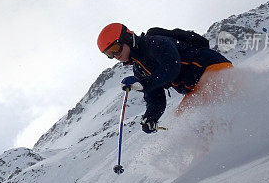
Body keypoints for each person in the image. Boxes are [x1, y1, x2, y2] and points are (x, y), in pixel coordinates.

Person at [97, 23, 234, 133]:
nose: (115, 55)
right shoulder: (139, 70)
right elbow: (156, 99)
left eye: (115, 48)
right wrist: (151, 117)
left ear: (126, 38)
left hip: (213, 69)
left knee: (202, 119)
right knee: (181, 121)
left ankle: (231, 142)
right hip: (197, 88)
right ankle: (210, 159)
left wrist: (145, 83)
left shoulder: (154, 42)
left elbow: (171, 67)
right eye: (109, 54)